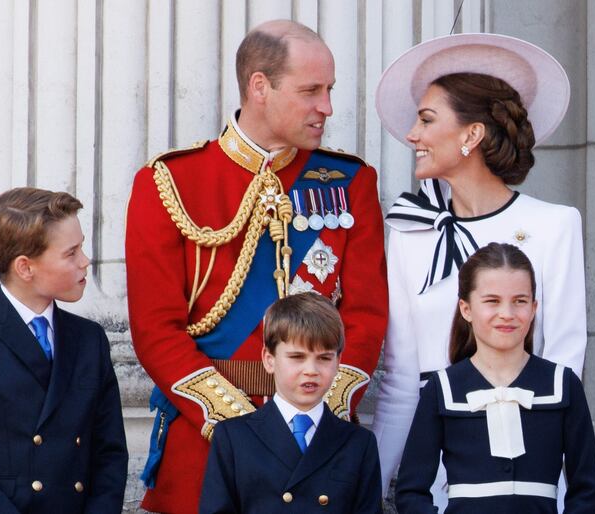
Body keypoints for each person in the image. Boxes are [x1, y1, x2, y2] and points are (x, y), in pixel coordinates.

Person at [125, 19, 387, 513]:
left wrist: (314, 413)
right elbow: (156, 330)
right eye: (311, 90)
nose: (327, 107)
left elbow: (367, 316)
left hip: (318, 440)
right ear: (259, 87)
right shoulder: (170, 182)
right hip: (206, 445)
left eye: (329, 90)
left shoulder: (350, 181)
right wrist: (239, 428)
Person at [371, 33, 588, 503]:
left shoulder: (554, 226)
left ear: (472, 135)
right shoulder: (410, 232)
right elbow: (401, 382)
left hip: (527, 474)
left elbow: (564, 368)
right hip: (435, 478)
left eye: (427, 120)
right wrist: (370, 491)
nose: (413, 134)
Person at [0, 188, 128, 513]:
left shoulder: (90, 340)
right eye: (71, 252)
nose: (85, 261)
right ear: (25, 267)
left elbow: (110, 454)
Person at [395, 242, 595, 513]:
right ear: (466, 308)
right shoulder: (442, 388)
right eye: (492, 301)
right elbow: (411, 492)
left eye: (520, 301)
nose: (507, 314)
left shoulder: (563, 384)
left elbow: (587, 490)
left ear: (534, 307)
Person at [199, 293, 382, 513]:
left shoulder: (359, 443)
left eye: (324, 358)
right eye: (297, 357)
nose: (311, 371)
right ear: (269, 360)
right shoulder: (233, 437)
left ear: (338, 363)